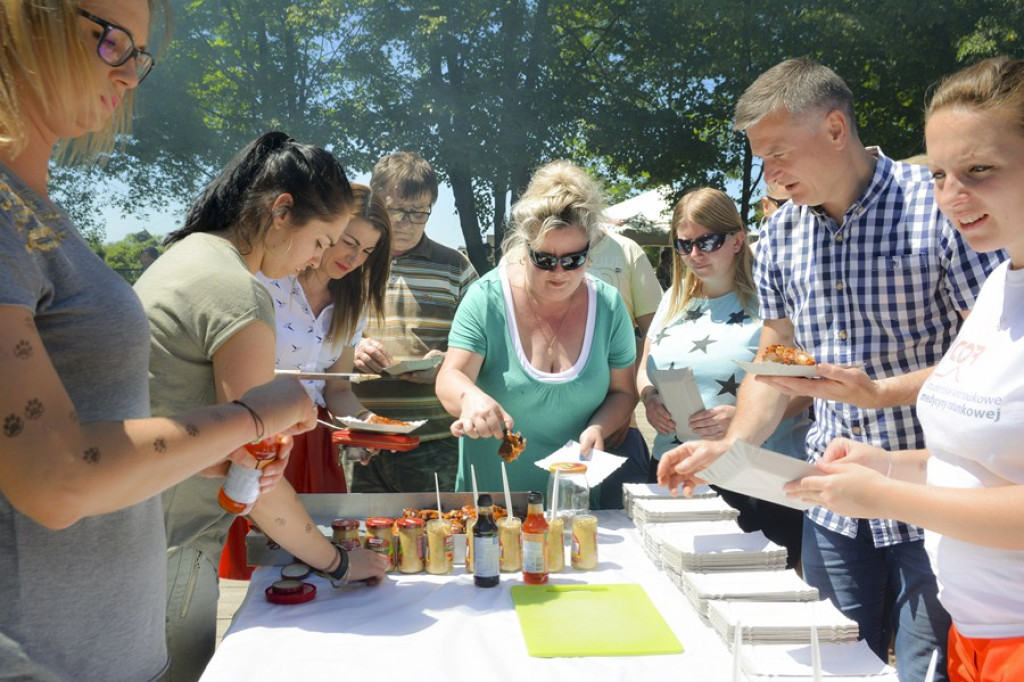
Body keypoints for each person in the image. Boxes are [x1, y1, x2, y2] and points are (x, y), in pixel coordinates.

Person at [657, 57, 1003, 682]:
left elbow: (993, 359)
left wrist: (879, 394)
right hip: (832, 501)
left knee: (925, 669)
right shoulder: (782, 237)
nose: (770, 173)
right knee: (831, 666)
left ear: (836, 130)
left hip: (939, 497)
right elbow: (774, 364)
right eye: (762, 158)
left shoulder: (944, 209)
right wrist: (733, 445)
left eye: (779, 153)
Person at [0, 3, 318, 680]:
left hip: (108, 648)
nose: (129, 74)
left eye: (138, 55)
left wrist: (210, 456)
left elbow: (87, 435)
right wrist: (259, 413)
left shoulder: (36, 213)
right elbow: (55, 476)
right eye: (111, 39)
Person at [785, 56, 1024, 682]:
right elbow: (977, 464)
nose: (952, 195)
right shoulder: (1001, 282)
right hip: (978, 639)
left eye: (980, 171)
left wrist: (889, 494)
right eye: (941, 172)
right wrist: (885, 463)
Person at [135, 132, 387, 681]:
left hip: (136, 534)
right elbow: (255, 477)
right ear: (280, 212)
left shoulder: (188, 256)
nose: (319, 258)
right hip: (172, 546)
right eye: (321, 240)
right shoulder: (238, 292)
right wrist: (339, 561)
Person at [219, 183, 391, 579]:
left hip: (314, 445)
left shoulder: (355, 301)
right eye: (349, 242)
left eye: (367, 252)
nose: (354, 258)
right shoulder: (268, 280)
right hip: (259, 436)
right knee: (258, 568)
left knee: (318, 563)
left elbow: (338, 390)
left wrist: (371, 428)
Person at [435, 159, 638, 494]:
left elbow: (623, 392)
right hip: (492, 504)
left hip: (575, 501)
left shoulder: (609, 305)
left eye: (573, 260)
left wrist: (600, 427)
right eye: (544, 259)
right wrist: (469, 397)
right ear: (524, 247)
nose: (558, 273)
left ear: (591, 251)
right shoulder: (486, 299)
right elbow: (450, 377)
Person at [637, 187, 810, 568]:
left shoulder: (772, 301)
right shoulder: (673, 298)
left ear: (736, 240)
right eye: (683, 245)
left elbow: (807, 389)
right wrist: (649, 398)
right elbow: (645, 363)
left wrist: (743, 419)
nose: (694, 255)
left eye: (706, 242)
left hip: (756, 474)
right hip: (676, 467)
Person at [350, 151, 478, 493]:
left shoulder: (456, 267)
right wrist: (353, 348)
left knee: (438, 540)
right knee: (362, 541)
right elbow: (316, 332)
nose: (406, 222)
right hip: (360, 437)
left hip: (435, 439)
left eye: (418, 212)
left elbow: (485, 341)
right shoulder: (348, 260)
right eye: (396, 209)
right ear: (376, 202)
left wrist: (446, 364)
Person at [586, 226, 664, 507]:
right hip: (540, 433)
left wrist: (628, 400)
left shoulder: (626, 250)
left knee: (623, 532)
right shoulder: (521, 254)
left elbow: (656, 334)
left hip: (618, 431)